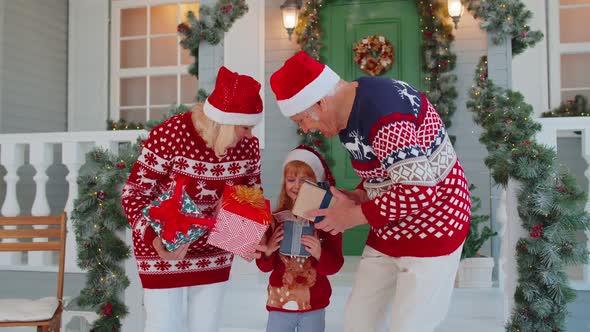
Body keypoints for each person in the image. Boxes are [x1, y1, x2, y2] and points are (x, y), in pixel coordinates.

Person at [269, 51, 471, 332]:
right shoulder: (349, 115)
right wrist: (358, 195)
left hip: (435, 226)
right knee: (359, 320)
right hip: (391, 228)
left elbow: (420, 191)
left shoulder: (385, 113)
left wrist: (352, 216)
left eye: (302, 120)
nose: (306, 129)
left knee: (409, 326)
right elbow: (387, 171)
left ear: (320, 102)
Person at [122, 66, 265, 332]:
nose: (250, 135)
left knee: (206, 326)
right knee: (165, 326)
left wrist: (250, 240)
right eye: (244, 127)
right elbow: (133, 193)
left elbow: (251, 197)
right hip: (162, 249)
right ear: (223, 122)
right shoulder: (170, 135)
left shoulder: (248, 147)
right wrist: (154, 240)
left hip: (213, 252)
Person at [256, 145, 343, 332]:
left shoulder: (329, 222)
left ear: (317, 183)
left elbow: (335, 266)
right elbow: (264, 268)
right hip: (279, 301)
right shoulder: (276, 219)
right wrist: (269, 251)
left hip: (314, 303)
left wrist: (320, 254)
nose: (296, 185)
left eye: (304, 180)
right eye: (291, 179)